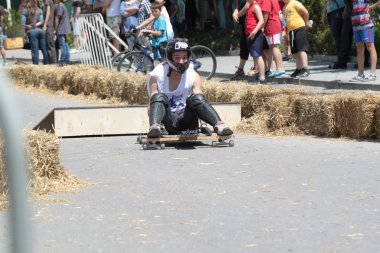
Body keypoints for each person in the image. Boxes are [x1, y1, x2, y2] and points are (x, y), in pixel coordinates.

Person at [146, 38, 233, 138]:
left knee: (197, 97)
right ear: (170, 57)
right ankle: (154, 128)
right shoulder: (157, 74)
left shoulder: (193, 75)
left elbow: (200, 103)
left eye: (185, 57)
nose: (181, 61)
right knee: (158, 96)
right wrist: (156, 122)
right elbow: (151, 104)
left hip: (187, 120)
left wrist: (203, 125)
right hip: (167, 121)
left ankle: (219, 125)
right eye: (177, 57)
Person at [350, 0, 380, 82]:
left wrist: (372, 7)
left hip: (366, 23)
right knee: (359, 49)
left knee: (370, 47)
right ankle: (360, 74)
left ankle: (372, 74)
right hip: (355, 23)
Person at [283, 0, 312, 78]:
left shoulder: (294, 2)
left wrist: (306, 23)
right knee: (295, 50)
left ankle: (305, 68)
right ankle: (298, 69)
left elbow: (305, 12)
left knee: (301, 49)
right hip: (291, 31)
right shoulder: (284, 7)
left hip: (299, 28)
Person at [323, 0, 352, 69]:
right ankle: (341, 60)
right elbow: (325, 1)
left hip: (340, 9)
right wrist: (324, 14)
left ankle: (342, 61)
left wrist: (346, 9)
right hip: (331, 11)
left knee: (343, 37)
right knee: (337, 38)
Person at [261, 0, 286, 78]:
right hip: (276, 23)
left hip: (271, 25)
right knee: (273, 47)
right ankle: (279, 68)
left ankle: (280, 68)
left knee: (274, 47)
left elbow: (266, 14)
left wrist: (262, 26)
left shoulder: (266, 0)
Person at [22, 0, 49, 65]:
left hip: (32, 32)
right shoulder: (39, 10)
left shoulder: (25, 11)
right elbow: (41, 21)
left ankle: (35, 65)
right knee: (44, 49)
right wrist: (35, 25)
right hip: (40, 31)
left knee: (35, 50)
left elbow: (23, 23)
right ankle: (46, 64)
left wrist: (24, 33)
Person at [245, 0, 266, 83]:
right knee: (255, 55)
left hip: (256, 34)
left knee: (258, 55)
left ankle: (262, 78)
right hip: (250, 34)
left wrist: (254, 31)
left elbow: (261, 21)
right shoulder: (249, 7)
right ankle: (259, 74)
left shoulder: (255, 6)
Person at [231, 0, 250, 80]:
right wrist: (234, 13)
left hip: (251, 23)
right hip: (243, 24)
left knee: (253, 48)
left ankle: (259, 69)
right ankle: (240, 70)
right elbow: (237, 6)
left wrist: (237, 15)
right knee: (244, 46)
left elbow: (247, 6)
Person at [54, 0, 71, 65]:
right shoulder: (63, 5)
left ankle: (62, 61)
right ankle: (67, 60)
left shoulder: (60, 6)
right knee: (66, 45)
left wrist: (55, 29)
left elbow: (57, 18)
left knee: (63, 46)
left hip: (61, 29)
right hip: (65, 28)